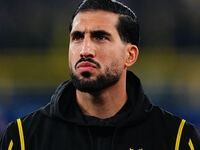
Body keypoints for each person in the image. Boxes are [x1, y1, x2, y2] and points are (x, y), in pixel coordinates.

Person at [1, 0, 200, 149]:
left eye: (100, 37)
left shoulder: (177, 138)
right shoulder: (23, 137)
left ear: (130, 55)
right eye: (77, 37)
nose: (85, 50)